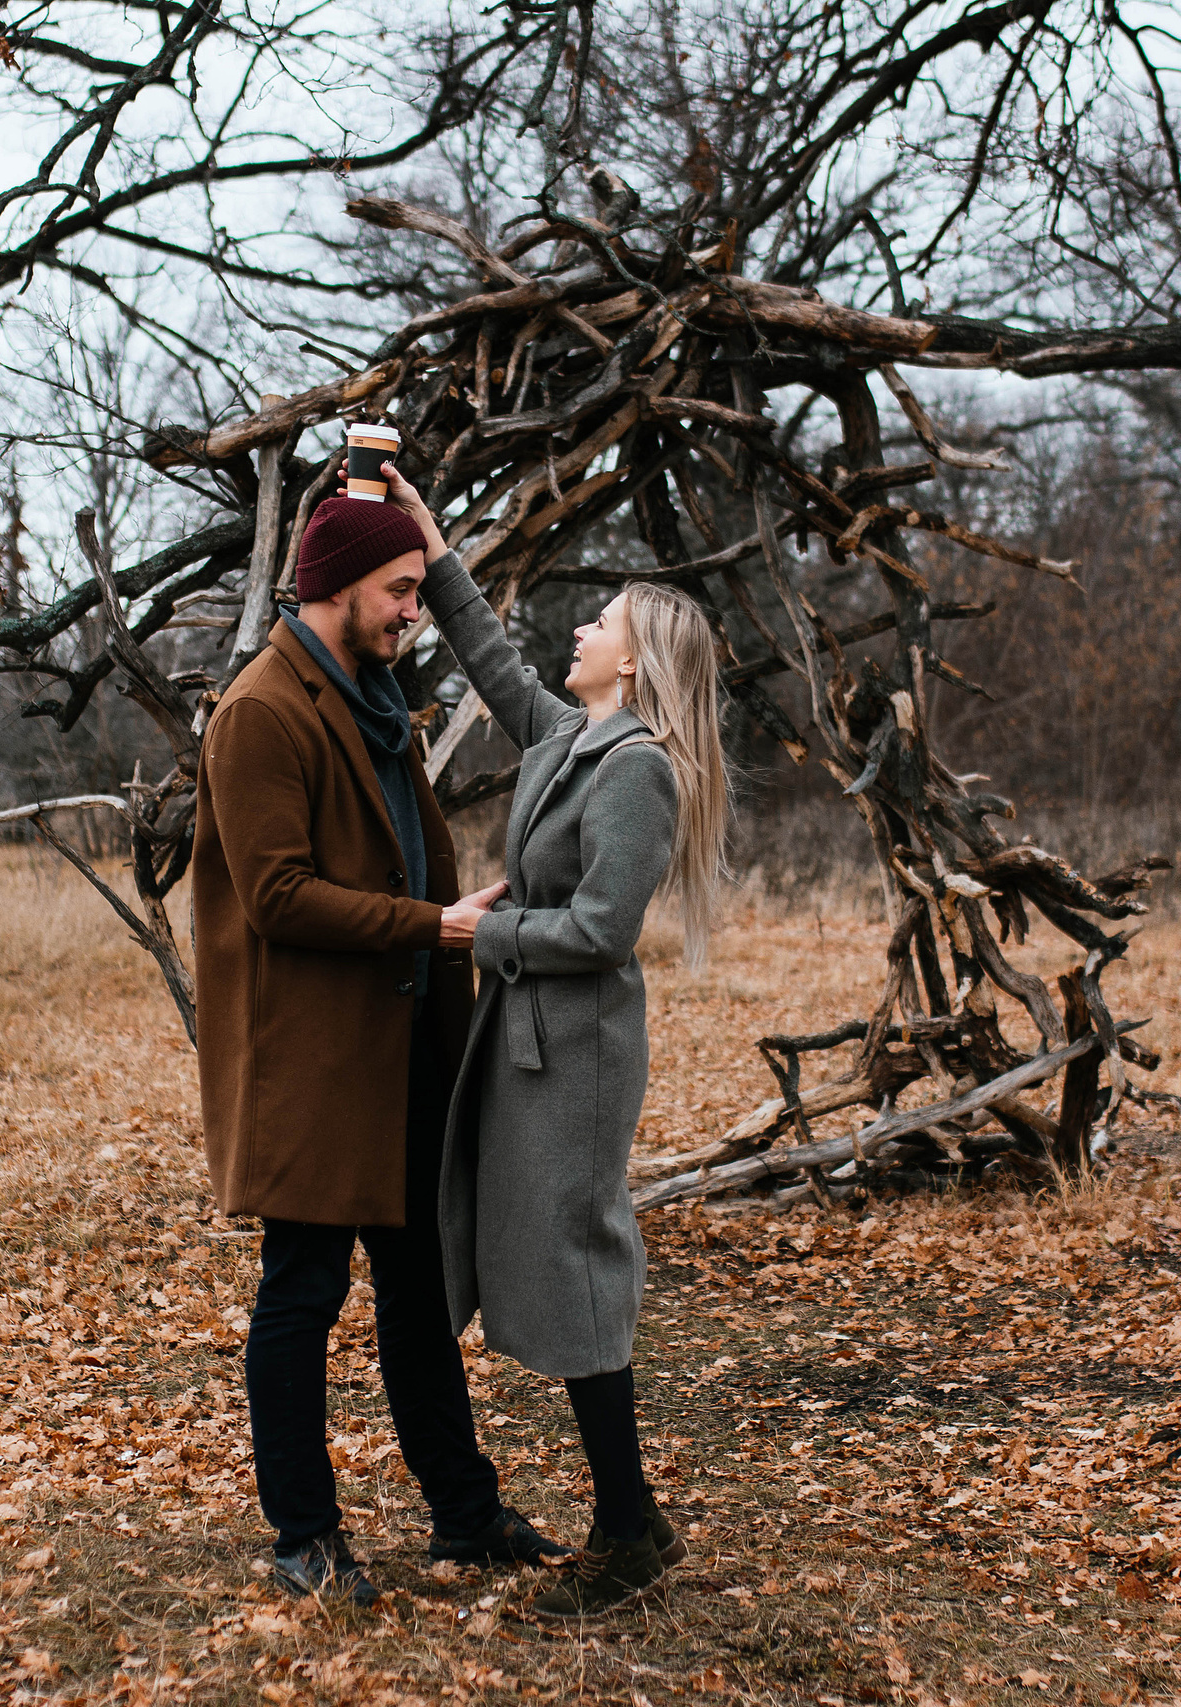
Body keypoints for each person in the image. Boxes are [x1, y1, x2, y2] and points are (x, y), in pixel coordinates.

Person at [192, 492, 567, 1605]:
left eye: (416, 589)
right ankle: (303, 1542)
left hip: (402, 1046)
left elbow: (398, 859)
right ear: (337, 585)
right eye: (400, 590)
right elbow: (277, 898)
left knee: (417, 1287)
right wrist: (434, 928)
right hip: (310, 1059)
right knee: (300, 1293)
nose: (414, 610)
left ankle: (463, 1514)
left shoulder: (369, 696)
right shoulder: (262, 711)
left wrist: (451, 916)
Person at [384, 463, 731, 1618]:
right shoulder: (569, 739)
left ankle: (628, 1528)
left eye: (601, 621)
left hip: (575, 1058)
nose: (579, 629)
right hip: (535, 1044)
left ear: (632, 663)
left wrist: (480, 932)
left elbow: (599, 930)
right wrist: (431, 552)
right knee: (553, 1262)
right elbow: (494, 662)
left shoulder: (635, 772)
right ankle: (628, 1519)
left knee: (581, 1267)